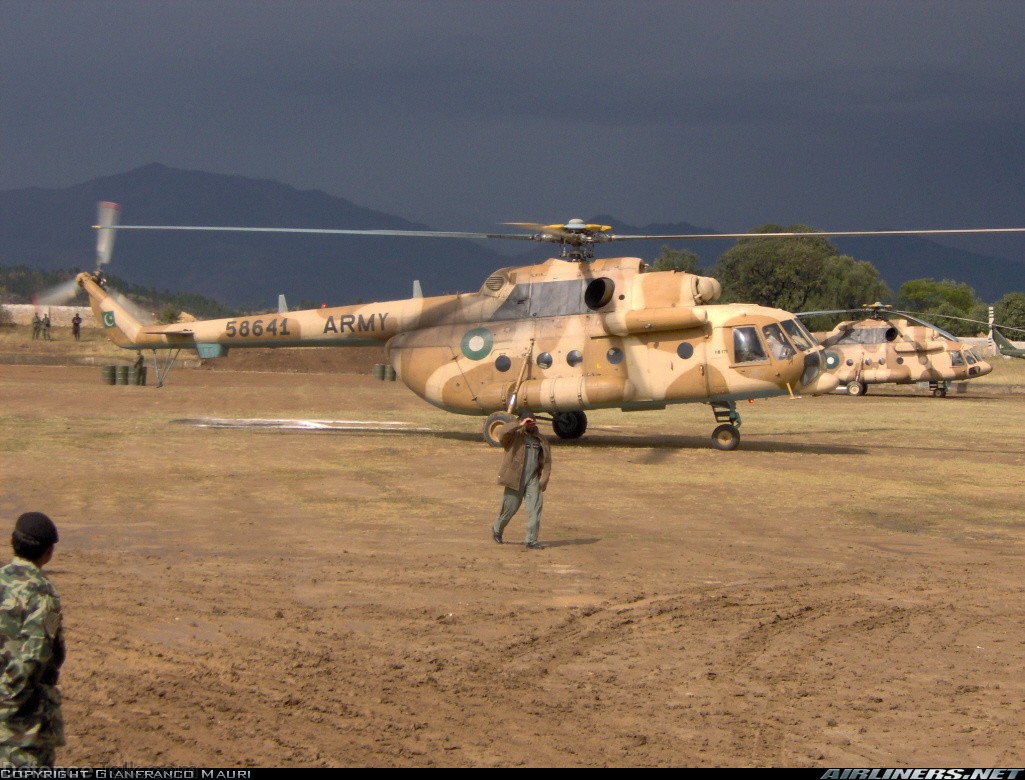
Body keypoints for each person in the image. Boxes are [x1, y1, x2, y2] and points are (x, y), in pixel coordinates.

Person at [0, 512, 65, 768]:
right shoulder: (42, 592)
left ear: (12, 541)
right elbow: (35, 656)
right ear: (48, 552)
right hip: (22, 727)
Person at [491, 411, 552, 549]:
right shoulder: (513, 436)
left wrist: (544, 480)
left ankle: (531, 540)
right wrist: (519, 425)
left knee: (535, 509)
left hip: (532, 479)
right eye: (528, 422)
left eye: (532, 422)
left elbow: (547, 461)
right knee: (509, 508)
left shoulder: (540, 439)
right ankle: (497, 529)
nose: (530, 425)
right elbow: (501, 434)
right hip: (515, 478)